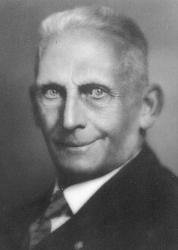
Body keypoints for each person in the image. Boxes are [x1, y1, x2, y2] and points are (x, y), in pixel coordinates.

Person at [26, 5, 178, 250]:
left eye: (96, 92)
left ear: (147, 107)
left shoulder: (169, 223)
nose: (69, 120)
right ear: (34, 106)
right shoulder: (17, 220)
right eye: (52, 92)